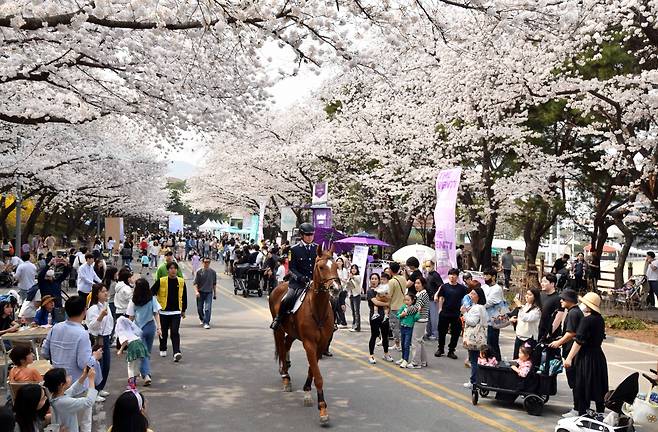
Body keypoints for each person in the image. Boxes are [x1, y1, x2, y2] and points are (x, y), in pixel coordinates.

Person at [41, 295, 103, 432]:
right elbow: (84, 363)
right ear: (84, 311)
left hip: (57, 385)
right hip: (77, 385)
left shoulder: (56, 328)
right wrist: (95, 357)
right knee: (84, 422)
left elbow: (44, 352)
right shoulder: (82, 333)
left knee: (61, 423)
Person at [564, 292, 608, 416]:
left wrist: (569, 358)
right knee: (598, 384)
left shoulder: (586, 320)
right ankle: (600, 412)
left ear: (588, 306)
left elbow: (578, 342)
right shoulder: (600, 320)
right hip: (598, 356)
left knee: (582, 384)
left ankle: (582, 412)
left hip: (585, 357)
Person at [270, 223, 317, 330]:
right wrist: (301, 278)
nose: (310, 237)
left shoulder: (317, 248)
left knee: (332, 299)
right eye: (307, 234)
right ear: (302, 235)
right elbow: (292, 268)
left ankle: (334, 320)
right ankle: (279, 318)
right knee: (288, 298)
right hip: (298, 283)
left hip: (315, 282)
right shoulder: (294, 249)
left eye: (312, 234)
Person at [548, 288, 584, 418]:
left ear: (570, 300)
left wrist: (559, 342)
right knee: (575, 382)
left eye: (563, 299)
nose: (561, 301)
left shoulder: (574, 313)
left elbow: (571, 333)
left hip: (572, 352)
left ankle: (577, 409)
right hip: (571, 350)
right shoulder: (573, 312)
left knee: (575, 382)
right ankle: (579, 408)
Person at [127, 278, 162, 386]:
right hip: (150, 327)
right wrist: (159, 328)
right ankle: (145, 373)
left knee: (143, 353)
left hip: (138, 329)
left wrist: (126, 330)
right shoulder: (152, 299)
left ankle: (146, 374)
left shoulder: (134, 300)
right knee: (147, 352)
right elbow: (156, 313)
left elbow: (131, 317)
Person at [43, 367, 98, 432]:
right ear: (61, 385)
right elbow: (89, 402)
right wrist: (91, 379)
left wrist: (84, 376)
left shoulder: (55, 396)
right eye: (66, 376)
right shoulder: (63, 402)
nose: (69, 377)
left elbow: (73, 389)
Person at [152, 262, 187, 362]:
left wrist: (183, 310)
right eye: (171, 268)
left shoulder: (181, 281)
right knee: (163, 332)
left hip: (176, 311)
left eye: (175, 268)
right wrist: (155, 306)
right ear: (168, 270)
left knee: (175, 332)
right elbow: (152, 292)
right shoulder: (161, 281)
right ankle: (163, 347)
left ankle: (176, 352)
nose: (173, 270)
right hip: (163, 311)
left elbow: (184, 296)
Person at [86, 283, 114, 400]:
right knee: (98, 365)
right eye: (102, 291)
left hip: (106, 337)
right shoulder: (93, 308)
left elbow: (111, 322)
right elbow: (92, 326)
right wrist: (101, 316)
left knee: (106, 365)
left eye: (106, 291)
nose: (105, 293)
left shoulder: (105, 305)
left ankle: (100, 388)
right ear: (97, 294)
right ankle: (95, 390)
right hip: (98, 338)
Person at [436, 268, 467, 359]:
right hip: (445, 312)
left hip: (456, 313)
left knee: (455, 333)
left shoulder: (462, 288)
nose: (452, 277)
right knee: (442, 331)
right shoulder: (444, 286)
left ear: (457, 277)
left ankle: (451, 350)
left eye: (454, 275)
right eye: (450, 274)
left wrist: (463, 310)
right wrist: (440, 309)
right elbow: (441, 298)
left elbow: (465, 300)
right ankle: (440, 349)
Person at [401, 276, 430, 369]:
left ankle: (415, 363)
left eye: (419, 283)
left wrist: (406, 312)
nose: (416, 285)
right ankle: (423, 361)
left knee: (415, 342)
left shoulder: (423, 294)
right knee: (420, 341)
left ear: (423, 285)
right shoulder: (419, 293)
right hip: (421, 320)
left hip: (420, 320)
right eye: (416, 283)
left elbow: (416, 307)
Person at [462, 285, 487, 388]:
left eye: (473, 294)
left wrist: (464, 313)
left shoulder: (477, 308)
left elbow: (472, 322)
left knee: (474, 360)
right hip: (479, 337)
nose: (471, 295)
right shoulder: (481, 308)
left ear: (478, 296)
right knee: (476, 359)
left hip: (474, 338)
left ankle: (473, 381)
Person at [116, 316, 150, 388]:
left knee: (130, 366)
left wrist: (120, 350)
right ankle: (136, 377)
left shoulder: (122, 330)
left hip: (132, 345)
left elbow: (124, 341)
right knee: (136, 363)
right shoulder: (130, 329)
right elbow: (139, 333)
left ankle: (131, 383)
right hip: (139, 343)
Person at [366, 273, 393, 364]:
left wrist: (388, 301)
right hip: (374, 316)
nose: (374, 280)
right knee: (374, 335)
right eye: (372, 278)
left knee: (385, 336)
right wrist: (386, 304)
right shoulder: (370, 291)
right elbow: (375, 302)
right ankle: (371, 355)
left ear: (379, 280)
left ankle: (386, 353)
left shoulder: (383, 289)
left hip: (384, 316)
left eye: (375, 278)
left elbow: (389, 297)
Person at [509, 288, 542, 359]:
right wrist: (513, 321)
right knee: (516, 359)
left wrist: (520, 307)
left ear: (535, 297)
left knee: (526, 361)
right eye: (526, 294)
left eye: (530, 295)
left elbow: (526, 318)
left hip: (529, 338)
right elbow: (520, 319)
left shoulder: (537, 310)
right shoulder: (524, 307)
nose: (527, 296)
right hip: (519, 336)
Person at [482, 268, 504, 361]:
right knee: (486, 342)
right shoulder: (484, 287)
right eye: (484, 275)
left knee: (493, 342)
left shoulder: (497, 289)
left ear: (494, 277)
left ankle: (496, 360)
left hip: (494, 319)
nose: (485, 277)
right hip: (484, 318)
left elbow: (488, 302)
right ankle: (488, 359)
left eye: (487, 276)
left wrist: (477, 306)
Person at [387, 262, 406, 352]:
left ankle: (398, 344)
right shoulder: (403, 279)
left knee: (395, 327)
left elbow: (389, 296)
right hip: (403, 306)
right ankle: (401, 343)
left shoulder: (392, 281)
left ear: (390, 270)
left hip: (394, 307)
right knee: (402, 326)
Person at [397, 293, 419, 368]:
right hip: (402, 327)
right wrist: (401, 315)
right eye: (405, 300)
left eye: (408, 300)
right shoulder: (403, 307)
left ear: (412, 301)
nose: (406, 301)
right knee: (402, 343)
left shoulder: (413, 308)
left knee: (406, 344)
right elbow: (398, 314)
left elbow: (416, 318)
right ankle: (403, 358)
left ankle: (405, 360)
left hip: (409, 328)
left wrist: (418, 311)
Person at [538, 273, 563, 342]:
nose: (542, 284)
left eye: (545, 282)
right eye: (542, 281)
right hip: (539, 331)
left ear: (552, 284)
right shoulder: (541, 295)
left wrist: (549, 333)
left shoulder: (558, 298)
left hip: (551, 335)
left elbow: (558, 318)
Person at [194, 257, 217, 329]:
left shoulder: (213, 272)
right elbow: (195, 283)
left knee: (207, 308)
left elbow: (214, 284)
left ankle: (206, 322)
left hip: (209, 292)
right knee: (199, 308)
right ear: (202, 263)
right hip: (200, 292)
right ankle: (202, 318)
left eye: (208, 262)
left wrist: (215, 293)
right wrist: (196, 292)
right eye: (205, 262)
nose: (206, 264)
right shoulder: (199, 272)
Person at [423, 260, 443, 341]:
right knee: (428, 317)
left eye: (429, 266)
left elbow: (441, 285)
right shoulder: (428, 274)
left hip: (433, 299)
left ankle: (435, 334)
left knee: (434, 318)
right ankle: (429, 332)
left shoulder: (436, 275)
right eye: (426, 266)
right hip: (428, 298)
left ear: (433, 266)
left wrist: (436, 294)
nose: (427, 268)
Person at [346, 264, 362, 332]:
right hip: (351, 295)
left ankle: (357, 327)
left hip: (356, 296)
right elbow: (348, 286)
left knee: (356, 311)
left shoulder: (358, 276)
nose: (353, 270)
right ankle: (354, 325)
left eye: (355, 268)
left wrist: (352, 277)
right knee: (353, 312)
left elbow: (357, 281)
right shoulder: (350, 277)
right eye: (352, 268)